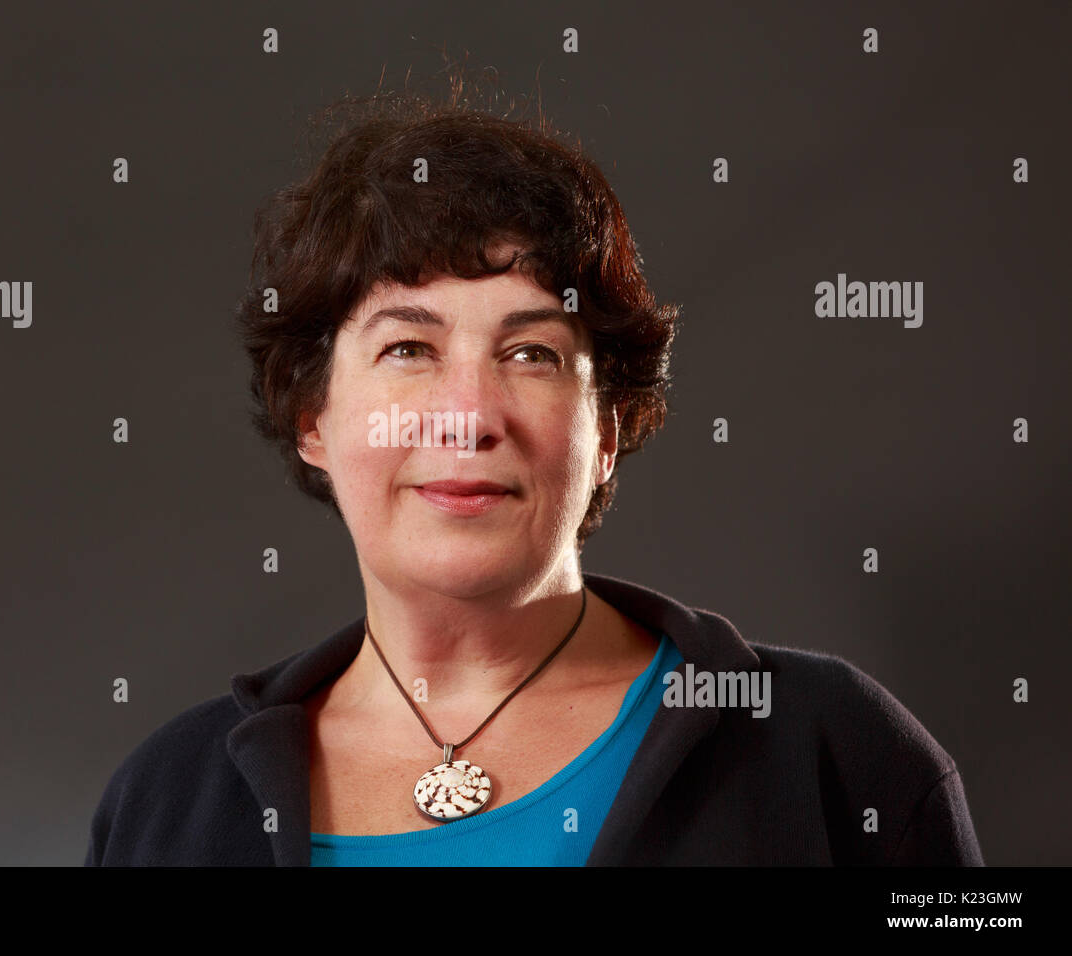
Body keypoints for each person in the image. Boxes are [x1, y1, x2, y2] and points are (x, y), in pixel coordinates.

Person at [84, 81, 983, 866]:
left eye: (532, 354)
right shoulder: (165, 803)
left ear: (609, 427)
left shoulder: (832, 752)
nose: (470, 416)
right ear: (312, 416)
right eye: (407, 347)